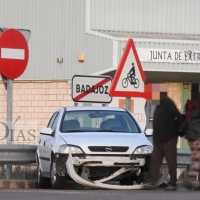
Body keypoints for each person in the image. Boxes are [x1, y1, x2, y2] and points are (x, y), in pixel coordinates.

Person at [146, 83, 181, 191]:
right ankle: (152, 182)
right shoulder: (158, 105)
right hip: (158, 139)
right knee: (155, 160)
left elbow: (178, 116)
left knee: (171, 161)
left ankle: (173, 183)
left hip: (168, 138)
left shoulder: (168, 103)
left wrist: (173, 132)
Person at [184, 100, 200, 191]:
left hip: (190, 137)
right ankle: (191, 178)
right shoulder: (197, 111)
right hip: (197, 136)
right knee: (196, 159)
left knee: (197, 157)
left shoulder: (189, 110)